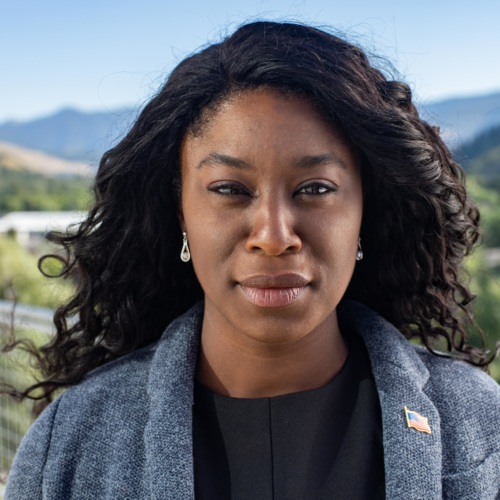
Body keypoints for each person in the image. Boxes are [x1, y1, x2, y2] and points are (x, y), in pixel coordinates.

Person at [4, 21, 500, 500]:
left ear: (366, 209)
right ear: (180, 213)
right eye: (229, 190)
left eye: (315, 189)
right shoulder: (72, 441)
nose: (274, 235)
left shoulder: (478, 422)